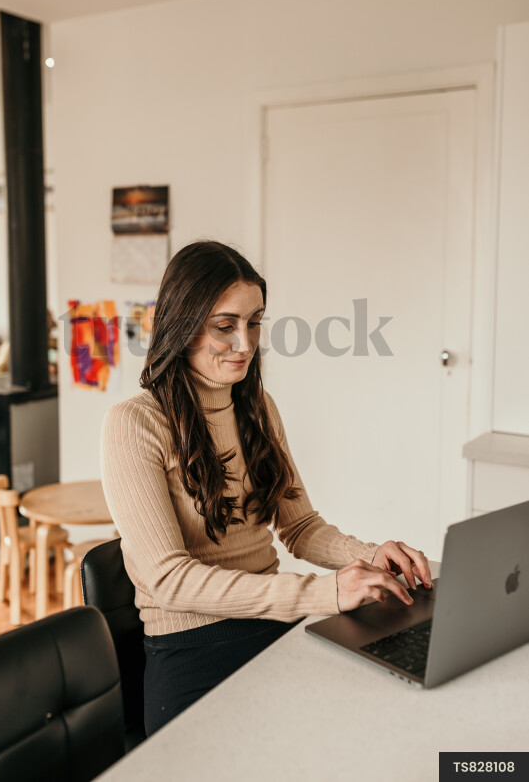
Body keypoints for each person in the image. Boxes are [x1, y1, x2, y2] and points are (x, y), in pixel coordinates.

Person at [100, 240, 432, 737]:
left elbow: (300, 527)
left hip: (271, 625)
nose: (245, 344)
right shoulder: (135, 423)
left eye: (254, 323)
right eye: (225, 327)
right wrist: (324, 594)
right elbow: (168, 580)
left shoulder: (256, 406)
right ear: (183, 325)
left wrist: (367, 556)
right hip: (190, 648)